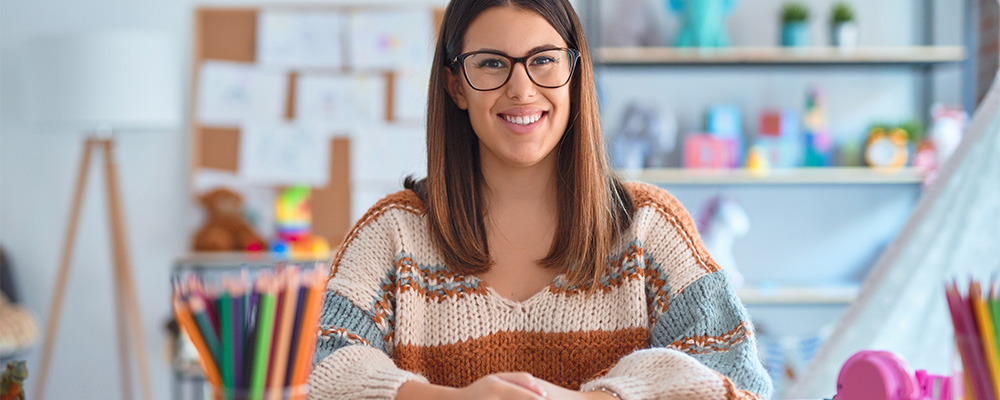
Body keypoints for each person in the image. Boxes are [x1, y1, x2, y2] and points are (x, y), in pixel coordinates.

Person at [308, 0, 772, 398]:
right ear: (456, 86)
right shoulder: (392, 234)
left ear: (574, 73)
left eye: (544, 60)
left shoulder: (649, 227)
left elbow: (738, 379)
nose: (521, 88)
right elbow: (314, 371)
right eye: (491, 63)